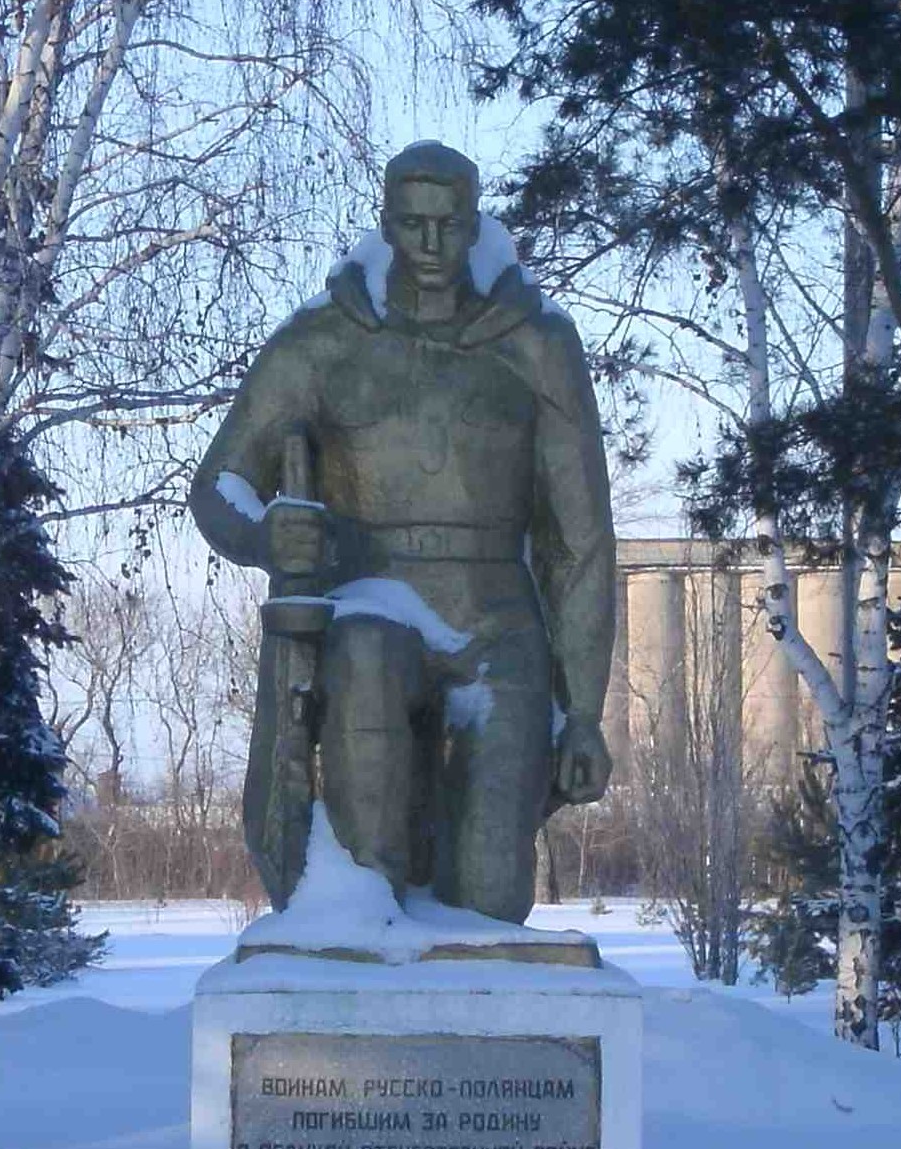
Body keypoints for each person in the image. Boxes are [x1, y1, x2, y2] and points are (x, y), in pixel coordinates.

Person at [189, 141, 616, 922]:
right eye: (411, 225)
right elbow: (220, 487)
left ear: (472, 224)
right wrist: (266, 536)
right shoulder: (321, 342)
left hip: (498, 621)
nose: (428, 245)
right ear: (386, 224)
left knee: (492, 897)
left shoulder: (539, 346)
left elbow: (581, 541)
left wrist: (583, 710)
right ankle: (356, 933)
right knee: (364, 670)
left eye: (447, 226)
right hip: (370, 603)